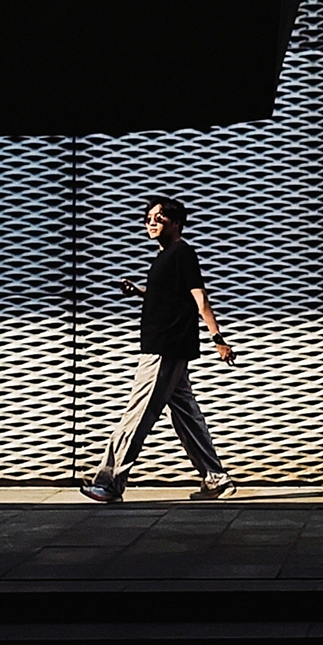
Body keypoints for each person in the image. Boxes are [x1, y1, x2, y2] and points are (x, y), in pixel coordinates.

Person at [79, 196, 238, 502]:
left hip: (164, 348)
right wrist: (140, 292)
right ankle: (216, 479)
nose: (151, 222)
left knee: (137, 415)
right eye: (148, 217)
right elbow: (167, 297)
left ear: (177, 223)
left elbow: (199, 299)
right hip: (168, 346)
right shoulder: (165, 258)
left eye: (159, 217)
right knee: (187, 416)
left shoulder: (182, 253)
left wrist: (218, 338)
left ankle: (110, 482)